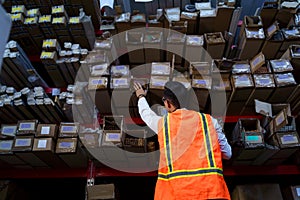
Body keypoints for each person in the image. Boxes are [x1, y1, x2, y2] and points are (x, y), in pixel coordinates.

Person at [133, 80, 232, 200]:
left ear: (168, 103)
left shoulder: (162, 124)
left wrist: (141, 96)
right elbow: (227, 154)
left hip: (177, 194)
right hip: (212, 193)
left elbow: (146, 114)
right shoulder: (209, 121)